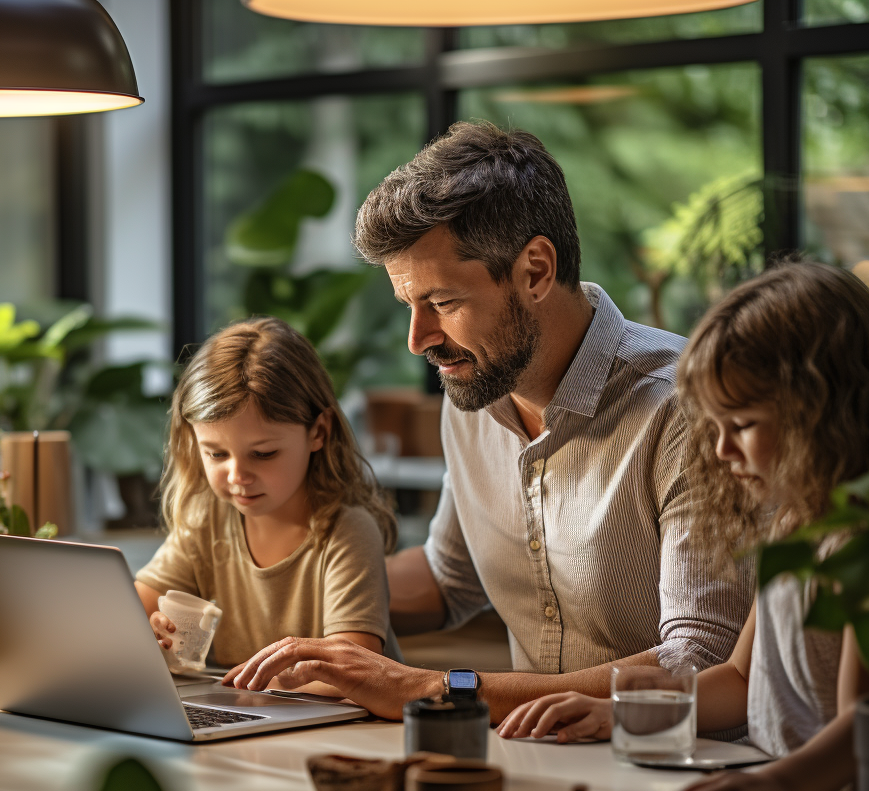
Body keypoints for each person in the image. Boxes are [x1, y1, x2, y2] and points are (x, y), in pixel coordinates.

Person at [223, 121, 752, 718]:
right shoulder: (473, 392)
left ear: (534, 271)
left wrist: (433, 689)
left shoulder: (687, 411)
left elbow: (702, 657)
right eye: (409, 306)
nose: (417, 339)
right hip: (531, 758)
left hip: (680, 777)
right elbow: (449, 580)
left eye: (443, 303)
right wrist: (245, 595)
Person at [497, 261, 869, 791]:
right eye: (714, 427)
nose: (720, 452)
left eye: (741, 424)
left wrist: (780, 786)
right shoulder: (794, 525)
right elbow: (741, 679)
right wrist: (618, 714)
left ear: (823, 408)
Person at [135, 316, 399, 669]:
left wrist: (257, 686)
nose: (238, 475)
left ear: (318, 432)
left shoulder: (347, 532)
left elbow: (353, 670)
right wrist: (149, 633)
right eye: (216, 453)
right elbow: (131, 616)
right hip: (247, 713)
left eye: (263, 454)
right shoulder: (207, 519)